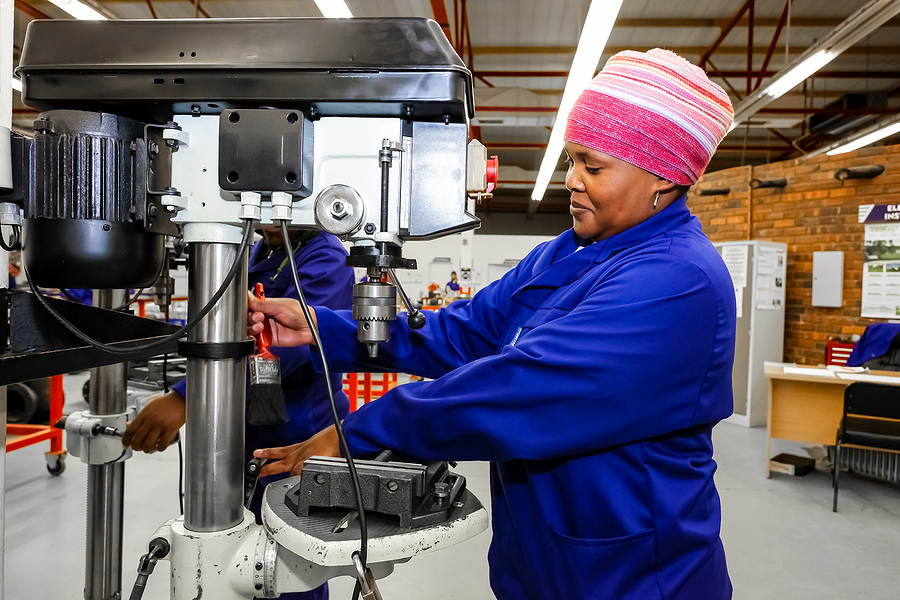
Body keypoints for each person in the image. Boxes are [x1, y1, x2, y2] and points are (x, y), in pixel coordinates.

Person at [249, 49, 736, 600]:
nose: (571, 180)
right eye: (572, 159)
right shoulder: (561, 255)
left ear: (664, 179)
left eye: (592, 166)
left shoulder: (679, 281)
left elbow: (518, 388)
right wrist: (322, 328)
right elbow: (462, 334)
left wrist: (352, 434)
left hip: (635, 576)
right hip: (537, 566)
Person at [123, 227, 355, 600]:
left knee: (286, 567)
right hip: (245, 430)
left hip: (298, 440)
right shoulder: (264, 246)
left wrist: (186, 398)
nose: (262, 223)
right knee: (235, 552)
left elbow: (291, 351)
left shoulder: (326, 256)